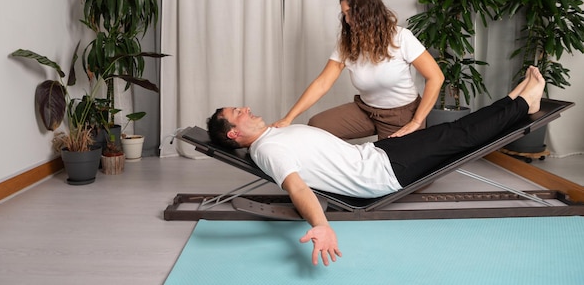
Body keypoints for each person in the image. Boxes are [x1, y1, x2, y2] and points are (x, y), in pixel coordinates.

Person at [207, 66, 545, 267]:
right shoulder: (267, 150)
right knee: (460, 135)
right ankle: (521, 104)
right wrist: (321, 225)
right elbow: (297, 187)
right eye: (238, 112)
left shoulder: (273, 133)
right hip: (384, 171)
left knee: (452, 132)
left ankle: (514, 102)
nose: (246, 108)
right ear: (235, 133)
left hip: (378, 154)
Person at [273, 0, 444, 140]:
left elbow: (436, 77)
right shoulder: (347, 44)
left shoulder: (401, 38)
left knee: (393, 168)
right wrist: (288, 118)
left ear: (367, 11)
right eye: (344, 14)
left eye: (350, 13)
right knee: (317, 125)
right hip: (365, 111)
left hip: (401, 115)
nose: (347, 20)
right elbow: (322, 83)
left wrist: (416, 121)